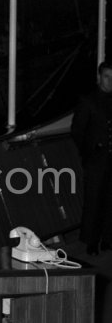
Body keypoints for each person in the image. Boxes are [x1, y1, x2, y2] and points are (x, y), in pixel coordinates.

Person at [71, 61, 112, 256]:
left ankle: (107, 239)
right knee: (93, 201)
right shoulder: (87, 100)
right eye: (106, 76)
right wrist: (88, 154)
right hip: (96, 160)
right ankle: (91, 241)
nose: (110, 81)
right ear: (98, 77)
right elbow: (77, 131)